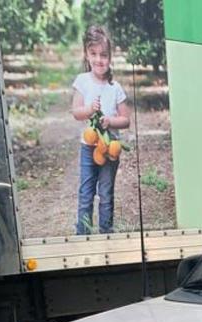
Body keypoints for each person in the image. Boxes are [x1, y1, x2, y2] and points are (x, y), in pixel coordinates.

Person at [71, 25, 131, 235]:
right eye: (94, 54)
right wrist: (89, 110)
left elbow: (126, 120)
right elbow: (76, 112)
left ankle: (106, 232)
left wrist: (110, 121)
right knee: (86, 192)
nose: (99, 60)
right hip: (89, 147)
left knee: (106, 192)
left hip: (110, 149)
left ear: (110, 57)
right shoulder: (82, 81)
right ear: (87, 55)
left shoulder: (116, 88)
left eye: (104, 55)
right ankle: (83, 233)